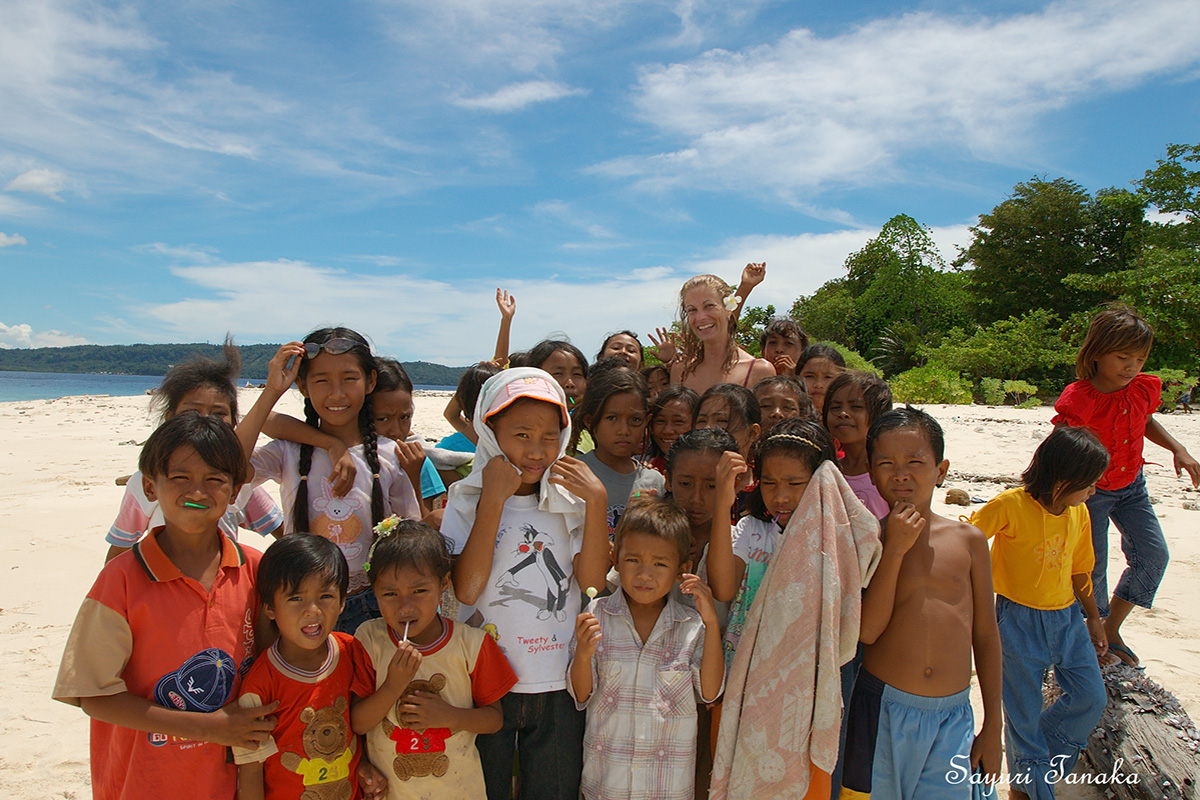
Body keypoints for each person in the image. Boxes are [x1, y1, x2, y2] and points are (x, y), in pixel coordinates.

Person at [53, 413, 277, 800]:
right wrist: (210, 727)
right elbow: (93, 695)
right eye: (180, 477)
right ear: (150, 487)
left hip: (230, 782)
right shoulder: (121, 580)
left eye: (215, 479)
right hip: (142, 781)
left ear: (235, 490)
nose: (198, 491)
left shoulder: (254, 570)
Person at [440, 367, 611, 800]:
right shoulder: (466, 499)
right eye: (522, 435)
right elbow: (467, 590)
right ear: (490, 431)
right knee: (488, 787)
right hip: (484, 684)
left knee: (553, 788)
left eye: (550, 436)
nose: (537, 451)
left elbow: (592, 584)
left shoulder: (570, 501)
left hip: (558, 680)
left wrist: (597, 503)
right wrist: (494, 498)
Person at [841, 407, 1002, 799]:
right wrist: (894, 550)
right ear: (873, 474)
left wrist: (993, 726)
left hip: (954, 714)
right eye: (886, 464)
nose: (901, 474)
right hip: (883, 711)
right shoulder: (869, 542)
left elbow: (985, 634)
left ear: (940, 470)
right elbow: (868, 630)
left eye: (915, 461)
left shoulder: (969, 541)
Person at [236, 330, 421, 634]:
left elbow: (408, 534)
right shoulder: (289, 450)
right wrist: (272, 390)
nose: (336, 393)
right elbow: (232, 468)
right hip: (304, 607)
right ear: (303, 386)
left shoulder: (390, 454)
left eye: (349, 378)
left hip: (374, 605)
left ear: (370, 381)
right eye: (321, 380)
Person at [1052, 305, 1200, 667]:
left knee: (1153, 556)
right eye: (1122, 357)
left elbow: (1145, 421)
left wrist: (1179, 449)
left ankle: (1112, 626)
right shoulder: (1080, 397)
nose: (1132, 366)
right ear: (1097, 354)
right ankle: (1092, 635)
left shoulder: (1142, 388)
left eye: (1140, 358)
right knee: (1092, 566)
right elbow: (1061, 443)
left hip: (1133, 485)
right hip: (1091, 492)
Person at [969, 427, 1110, 800]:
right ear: (1064, 478)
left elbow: (1082, 569)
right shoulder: (1010, 505)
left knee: (1090, 698)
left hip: (1067, 620)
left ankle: (1032, 769)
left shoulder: (1078, 513)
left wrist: (1094, 618)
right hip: (1016, 622)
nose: (1093, 491)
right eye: (1089, 483)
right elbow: (967, 538)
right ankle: (1032, 788)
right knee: (1023, 716)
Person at [568, 497, 725, 800]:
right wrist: (584, 654)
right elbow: (581, 694)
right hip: (606, 785)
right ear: (615, 558)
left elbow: (710, 691)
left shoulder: (691, 625)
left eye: (660, 564)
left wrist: (711, 622)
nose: (644, 574)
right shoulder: (596, 616)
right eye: (633, 560)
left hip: (665, 788)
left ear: (683, 569)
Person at [354, 516, 518, 799]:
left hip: (458, 791)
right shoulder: (369, 639)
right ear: (374, 592)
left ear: (443, 583)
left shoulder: (471, 644)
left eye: (419, 591)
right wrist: (394, 685)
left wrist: (449, 716)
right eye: (390, 594)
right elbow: (357, 723)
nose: (406, 606)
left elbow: (494, 720)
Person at [105, 335, 283, 561]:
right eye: (192, 413)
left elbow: (282, 531)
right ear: (169, 418)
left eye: (219, 415)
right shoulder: (147, 481)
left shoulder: (235, 482)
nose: (205, 422)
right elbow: (120, 546)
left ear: (234, 425)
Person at [232, 534, 379, 800]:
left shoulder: (352, 652)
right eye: (296, 598)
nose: (313, 610)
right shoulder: (261, 684)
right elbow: (251, 771)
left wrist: (365, 766)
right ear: (269, 608)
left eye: (325, 596)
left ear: (342, 602)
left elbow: (360, 728)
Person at [707, 418, 839, 670]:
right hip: (748, 669)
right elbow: (723, 590)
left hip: (803, 673)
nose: (781, 496)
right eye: (769, 483)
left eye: (794, 483)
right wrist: (723, 504)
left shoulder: (834, 538)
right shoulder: (752, 530)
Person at [571, 367, 665, 533]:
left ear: (646, 421)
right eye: (612, 418)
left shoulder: (655, 482)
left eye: (635, 419)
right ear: (590, 421)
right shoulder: (574, 473)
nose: (624, 430)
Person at [668, 273, 775, 395]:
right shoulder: (680, 370)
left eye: (709, 306)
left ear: (728, 309)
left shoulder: (759, 370)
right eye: (692, 310)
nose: (701, 317)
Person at [374, 358, 447, 517]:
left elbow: (422, 525)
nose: (395, 431)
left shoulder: (417, 461)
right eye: (382, 419)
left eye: (405, 417)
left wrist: (413, 476)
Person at [823, 370, 893, 519]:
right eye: (835, 407)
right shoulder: (826, 470)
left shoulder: (889, 472)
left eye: (856, 407)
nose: (843, 413)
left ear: (878, 414)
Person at [695, 383, 762, 461]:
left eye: (722, 420)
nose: (707, 428)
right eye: (701, 421)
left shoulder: (769, 472)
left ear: (753, 433)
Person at [642, 384, 699, 475]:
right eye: (660, 421)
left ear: (697, 424)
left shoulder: (711, 468)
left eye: (678, 421)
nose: (667, 431)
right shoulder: (651, 469)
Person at [796, 344, 845, 415]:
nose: (818, 385)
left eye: (828, 377)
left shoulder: (847, 420)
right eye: (810, 376)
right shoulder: (786, 419)